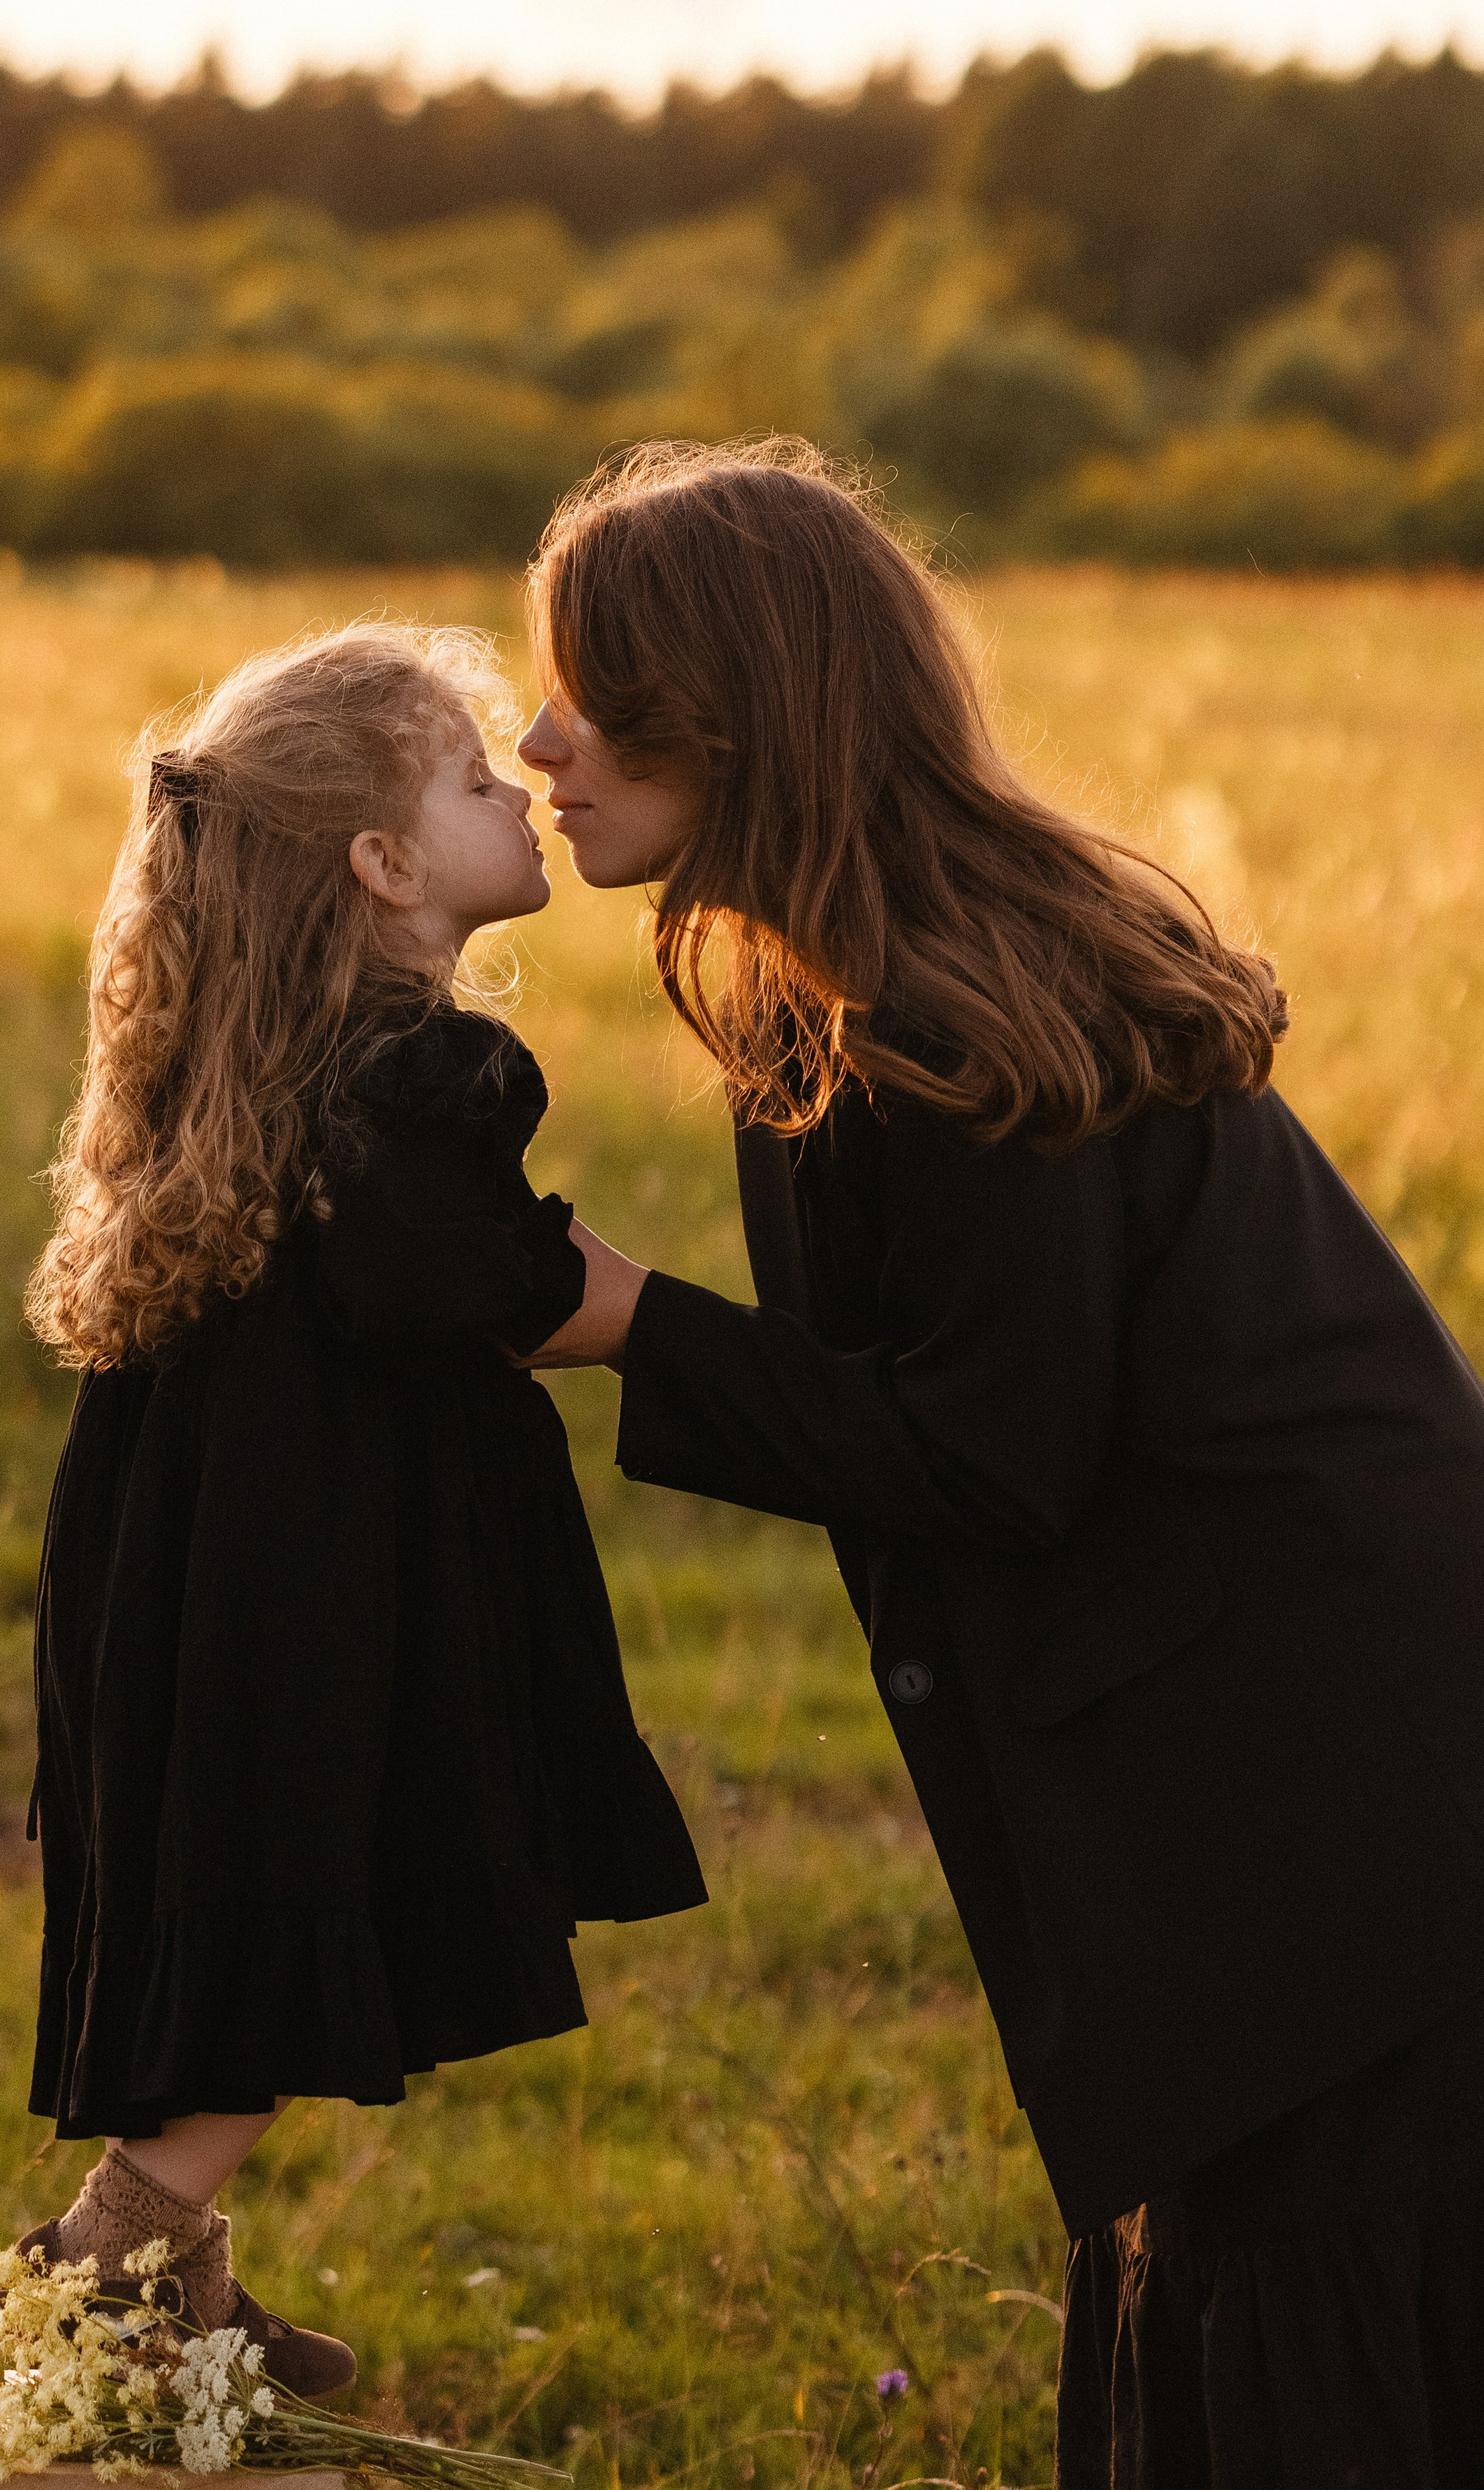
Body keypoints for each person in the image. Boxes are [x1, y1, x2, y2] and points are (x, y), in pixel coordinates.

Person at [515, 439, 1484, 2488]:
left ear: (743, 704)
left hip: (1328, 1785)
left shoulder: (950, 1016)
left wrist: (634, 1322)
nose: (539, 742)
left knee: (1300, 2305)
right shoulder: (877, 973)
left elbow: (993, 1451)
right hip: (1309, 1760)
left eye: (596, 694)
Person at [20, 623, 705, 2394]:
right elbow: (465, 1283)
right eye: (477, 780)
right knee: (282, 1886)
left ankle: (166, 2263)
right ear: (385, 865)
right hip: (308, 1586)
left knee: (252, 1887)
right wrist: (676, 1324)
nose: (522, 791)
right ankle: (115, 2251)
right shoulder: (417, 1071)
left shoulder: (256, 1061)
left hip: (202, 1558)